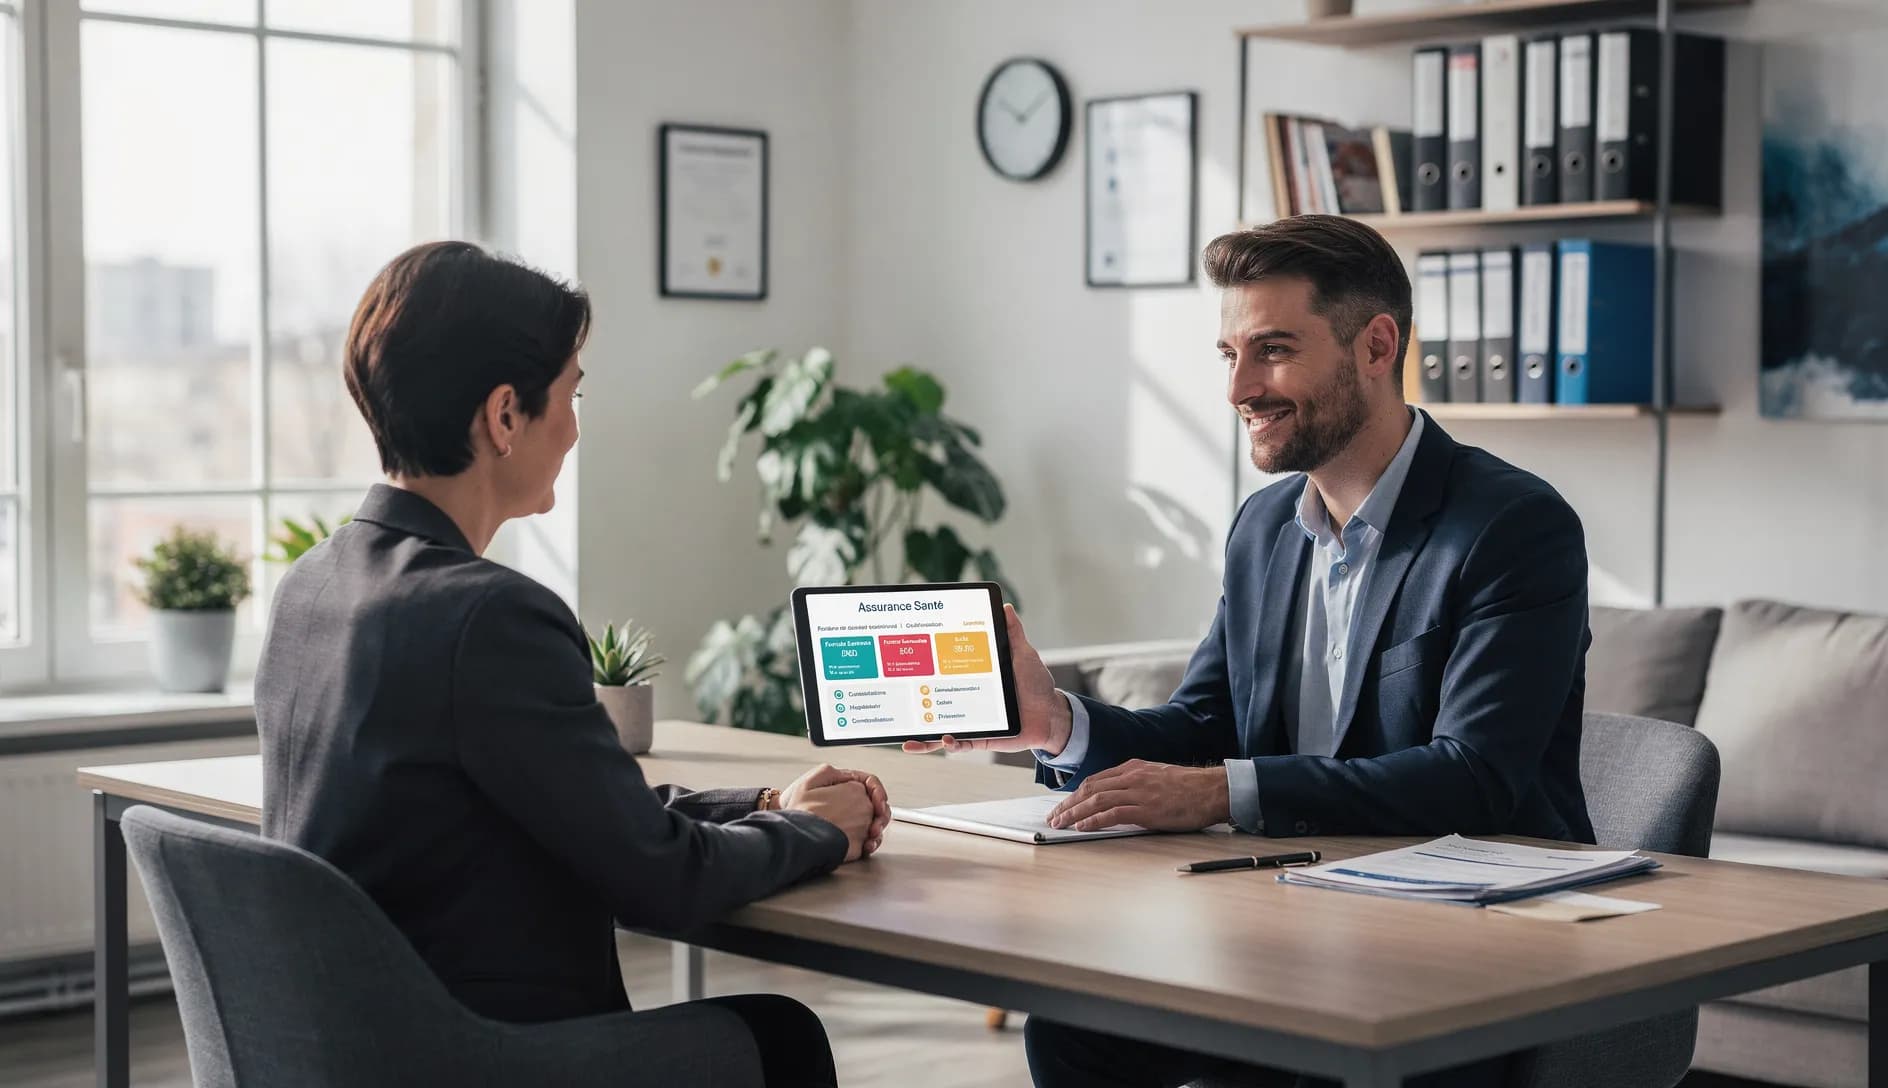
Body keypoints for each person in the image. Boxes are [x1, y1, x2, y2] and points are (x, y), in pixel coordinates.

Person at [908, 215, 1593, 1088]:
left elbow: (1475, 776)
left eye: (1273, 349)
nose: (1241, 388)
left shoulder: (1509, 526)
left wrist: (1220, 791)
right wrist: (1057, 723)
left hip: (1469, 950)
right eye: (1228, 355)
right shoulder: (1265, 528)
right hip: (1295, 923)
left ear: (1376, 345)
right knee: (1076, 1031)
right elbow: (1205, 726)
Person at [258, 240, 887, 1088]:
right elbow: (661, 881)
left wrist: (770, 802)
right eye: (572, 394)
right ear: (505, 415)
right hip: (477, 1059)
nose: (577, 427)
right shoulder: (486, 614)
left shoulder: (313, 585)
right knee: (780, 1037)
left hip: (342, 1049)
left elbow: (576, 809)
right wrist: (817, 833)